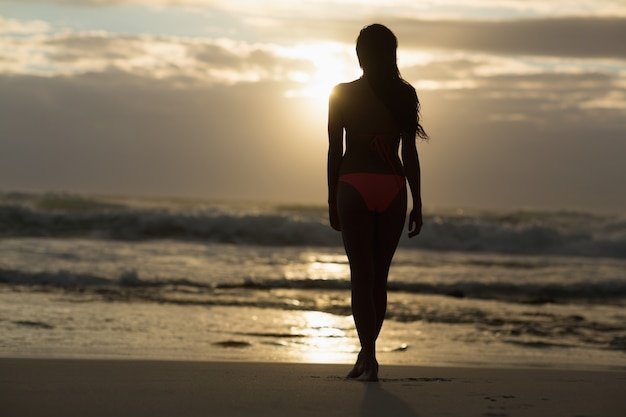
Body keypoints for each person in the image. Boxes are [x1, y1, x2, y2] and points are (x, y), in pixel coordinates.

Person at [327, 23, 428, 382]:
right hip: (392, 187)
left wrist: (331, 197)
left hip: (352, 184)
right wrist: (418, 201)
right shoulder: (405, 94)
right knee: (379, 279)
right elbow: (410, 154)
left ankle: (368, 356)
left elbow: (334, 151)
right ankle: (367, 357)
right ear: (391, 54)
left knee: (361, 277)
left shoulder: (340, 93)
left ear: (360, 55)